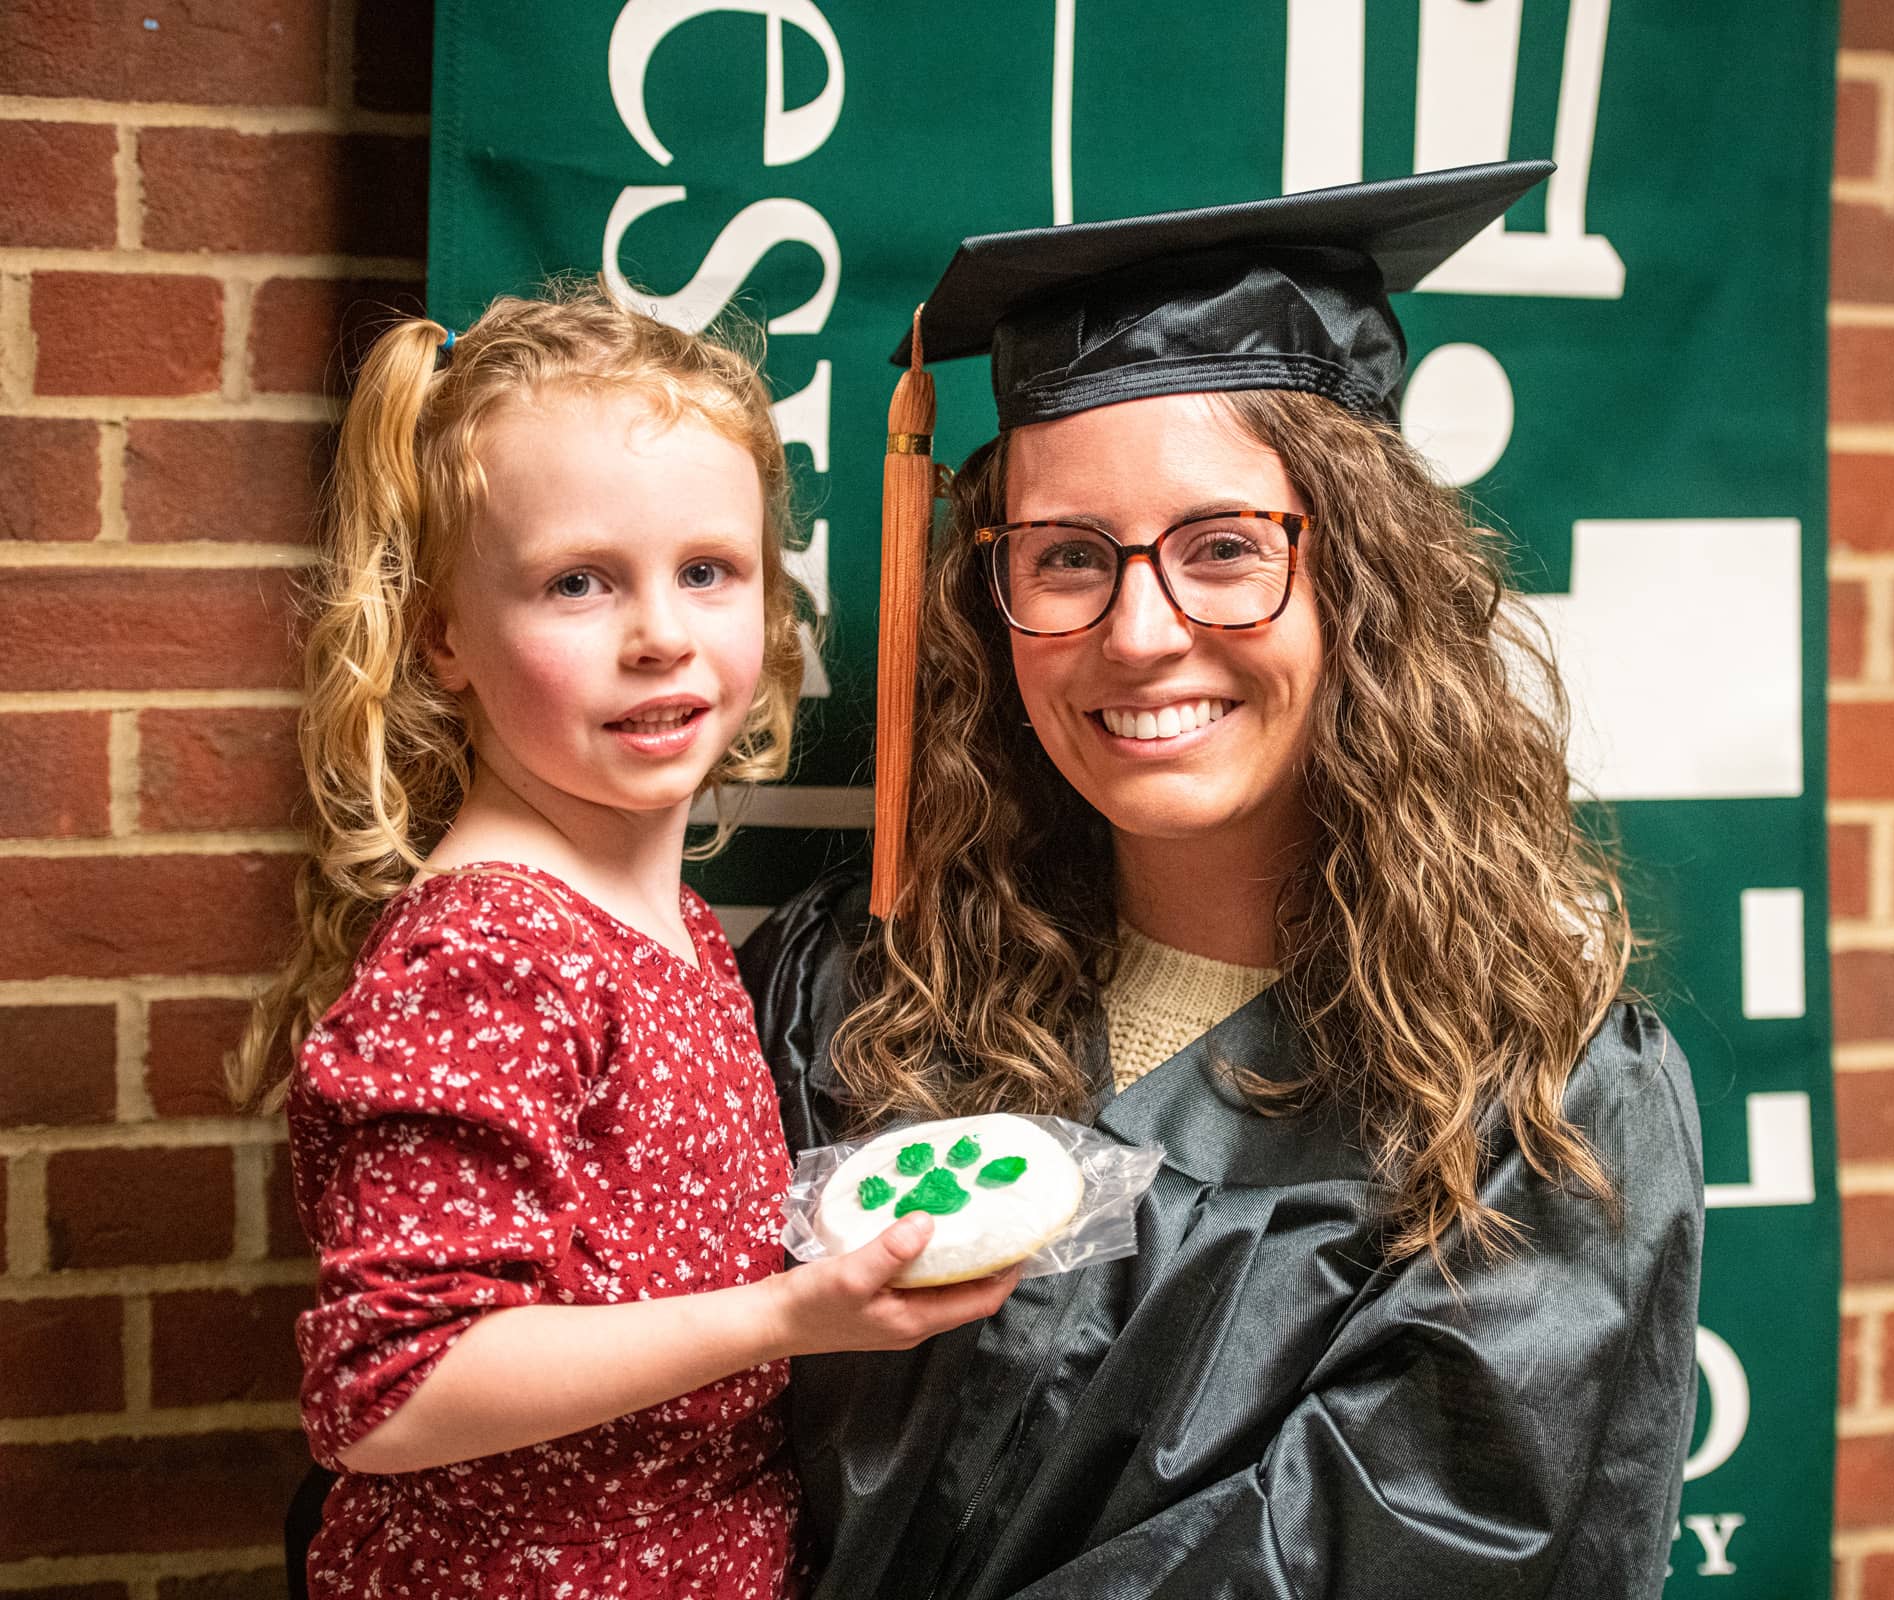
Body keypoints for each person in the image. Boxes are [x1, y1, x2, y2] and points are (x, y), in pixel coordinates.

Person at [740, 161, 1705, 1598]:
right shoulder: (854, 990)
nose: (1140, 633)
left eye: (1224, 548)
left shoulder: (1542, 1106)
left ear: (1360, 580)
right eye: (1067, 558)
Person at [230, 287, 1015, 1600]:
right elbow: (389, 1393)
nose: (660, 634)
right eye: (578, 582)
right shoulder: (491, 952)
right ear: (443, 638)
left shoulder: (670, 923)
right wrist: (786, 1318)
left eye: (707, 571)